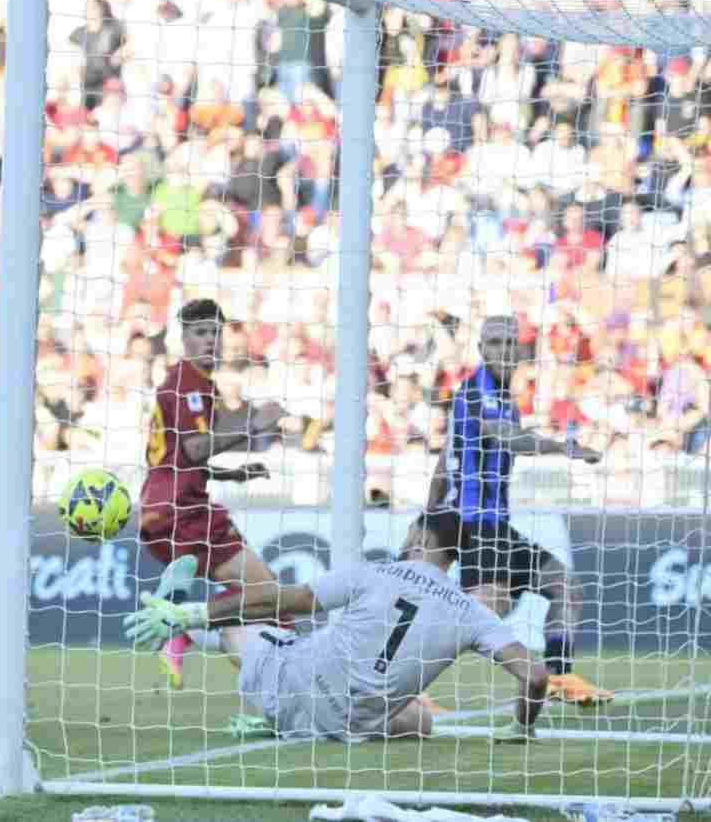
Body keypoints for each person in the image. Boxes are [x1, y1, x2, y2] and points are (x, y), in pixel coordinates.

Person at [125, 510, 550, 743]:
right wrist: (521, 728)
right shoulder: (468, 611)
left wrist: (196, 612)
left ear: (419, 539)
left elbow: (285, 600)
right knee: (421, 720)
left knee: (246, 629)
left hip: (291, 690)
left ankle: (185, 629)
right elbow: (536, 676)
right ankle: (286, 714)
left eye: (408, 533)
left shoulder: (374, 572)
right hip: (348, 725)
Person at [427, 314, 611, 705]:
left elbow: (445, 459)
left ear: (521, 351)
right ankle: (402, 685)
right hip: (477, 527)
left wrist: (429, 508)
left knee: (565, 587)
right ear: (480, 349)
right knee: (475, 617)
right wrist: (565, 448)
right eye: (494, 342)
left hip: (499, 527)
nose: (504, 350)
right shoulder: (474, 393)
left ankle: (560, 677)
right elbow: (511, 439)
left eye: (510, 342)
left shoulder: (506, 398)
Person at [138, 298, 284, 690]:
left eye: (215, 333)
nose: (210, 341)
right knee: (267, 593)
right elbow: (194, 449)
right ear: (183, 337)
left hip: (164, 508)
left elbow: (180, 458)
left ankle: (185, 627)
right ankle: (180, 625)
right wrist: (255, 424)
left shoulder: (202, 385)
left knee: (254, 594)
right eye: (200, 333)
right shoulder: (185, 382)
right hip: (182, 510)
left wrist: (232, 472)